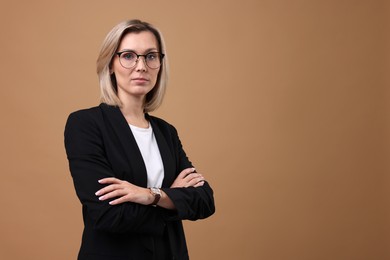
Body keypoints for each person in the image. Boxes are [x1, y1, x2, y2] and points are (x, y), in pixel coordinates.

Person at [64, 19, 215, 260]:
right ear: (110, 64)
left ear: (159, 64)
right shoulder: (86, 124)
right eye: (128, 56)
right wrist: (171, 198)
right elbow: (107, 215)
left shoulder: (166, 132)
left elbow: (204, 201)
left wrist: (150, 195)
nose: (141, 66)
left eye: (150, 56)